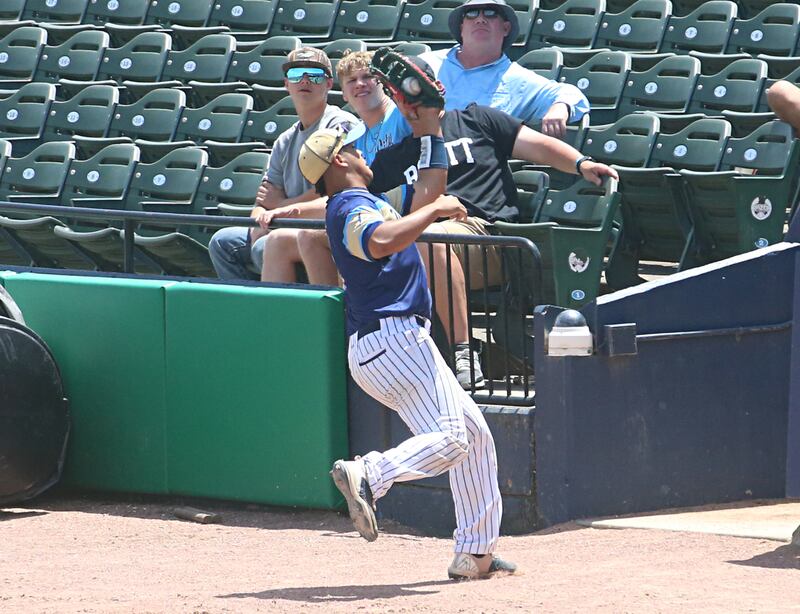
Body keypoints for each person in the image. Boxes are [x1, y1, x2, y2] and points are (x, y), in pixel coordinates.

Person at [295, 114, 518, 580]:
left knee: (473, 438)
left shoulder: (364, 198)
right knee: (456, 438)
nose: (364, 151)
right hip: (393, 338)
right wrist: (435, 213)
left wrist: (432, 132)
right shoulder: (350, 202)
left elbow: (425, 195)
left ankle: (474, 553)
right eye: (355, 147)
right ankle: (370, 475)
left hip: (383, 344)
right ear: (340, 159)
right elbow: (376, 242)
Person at [207, 47, 356, 283]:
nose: (305, 80)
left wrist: (280, 206)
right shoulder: (284, 140)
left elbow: (339, 192)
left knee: (264, 247)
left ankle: (278, 313)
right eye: (297, 74)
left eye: (314, 75)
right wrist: (258, 223)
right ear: (287, 84)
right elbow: (263, 200)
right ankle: (246, 310)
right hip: (282, 223)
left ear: (328, 84)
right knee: (223, 242)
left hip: (323, 227)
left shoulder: (340, 124)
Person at [420, 0, 589, 138]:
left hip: (470, 172)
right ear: (461, 27)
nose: (480, 19)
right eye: (471, 13)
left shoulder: (517, 79)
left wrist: (561, 106)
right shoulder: (426, 63)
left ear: (506, 28)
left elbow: (572, 95)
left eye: (490, 12)